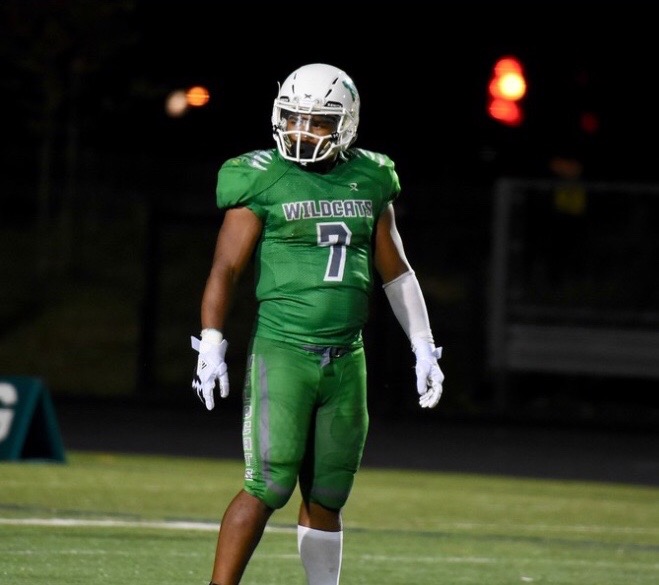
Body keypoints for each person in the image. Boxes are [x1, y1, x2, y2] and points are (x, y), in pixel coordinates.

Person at [191, 63, 445, 585]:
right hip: (284, 351)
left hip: (347, 357)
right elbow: (226, 268)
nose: (302, 131)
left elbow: (396, 271)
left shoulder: (371, 176)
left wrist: (423, 344)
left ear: (347, 124)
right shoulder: (260, 175)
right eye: (294, 118)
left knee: (329, 493)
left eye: (318, 122)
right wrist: (211, 342)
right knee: (268, 485)